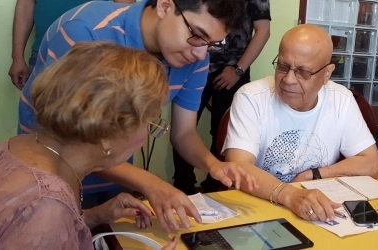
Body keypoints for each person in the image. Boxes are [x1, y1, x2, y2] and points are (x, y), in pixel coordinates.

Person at [17, 0, 257, 232]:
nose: (200, 52)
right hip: (52, 176)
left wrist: (214, 165)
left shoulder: (194, 57)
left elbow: (184, 133)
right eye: (197, 34)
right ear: (165, 6)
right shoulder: (85, 30)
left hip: (117, 173)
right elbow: (70, 142)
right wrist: (152, 184)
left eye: (212, 44)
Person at [0, 42, 177, 249]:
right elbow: (41, 222)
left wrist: (94, 216)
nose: (146, 135)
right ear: (107, 135)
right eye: (149, 123)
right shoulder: (46, 207)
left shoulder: (20, 146)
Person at [223, 24, 378, 221]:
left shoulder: (341, 99)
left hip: (315, 211)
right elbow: (239, 167)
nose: (288, 79)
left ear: (327, 74)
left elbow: (371, 163)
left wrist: (313, 175)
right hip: (259, 210)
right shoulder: (251, 97)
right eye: (282, 66)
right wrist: (290, 195)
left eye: (303, 72)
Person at [172, 0, 271, 194]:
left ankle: (216, 187)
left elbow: (263, 31)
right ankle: (183, 187)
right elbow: (182, 133)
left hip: (234, 70)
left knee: (223, 132)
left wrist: (238, 69)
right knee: (184, 127)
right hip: (193, 63)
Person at [8, 0, 134, 90]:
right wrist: (17, 57)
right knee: (38, 119)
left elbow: (124, 9)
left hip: (95, 57)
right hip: (44, 55)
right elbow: (25, 5)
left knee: (91, 121)